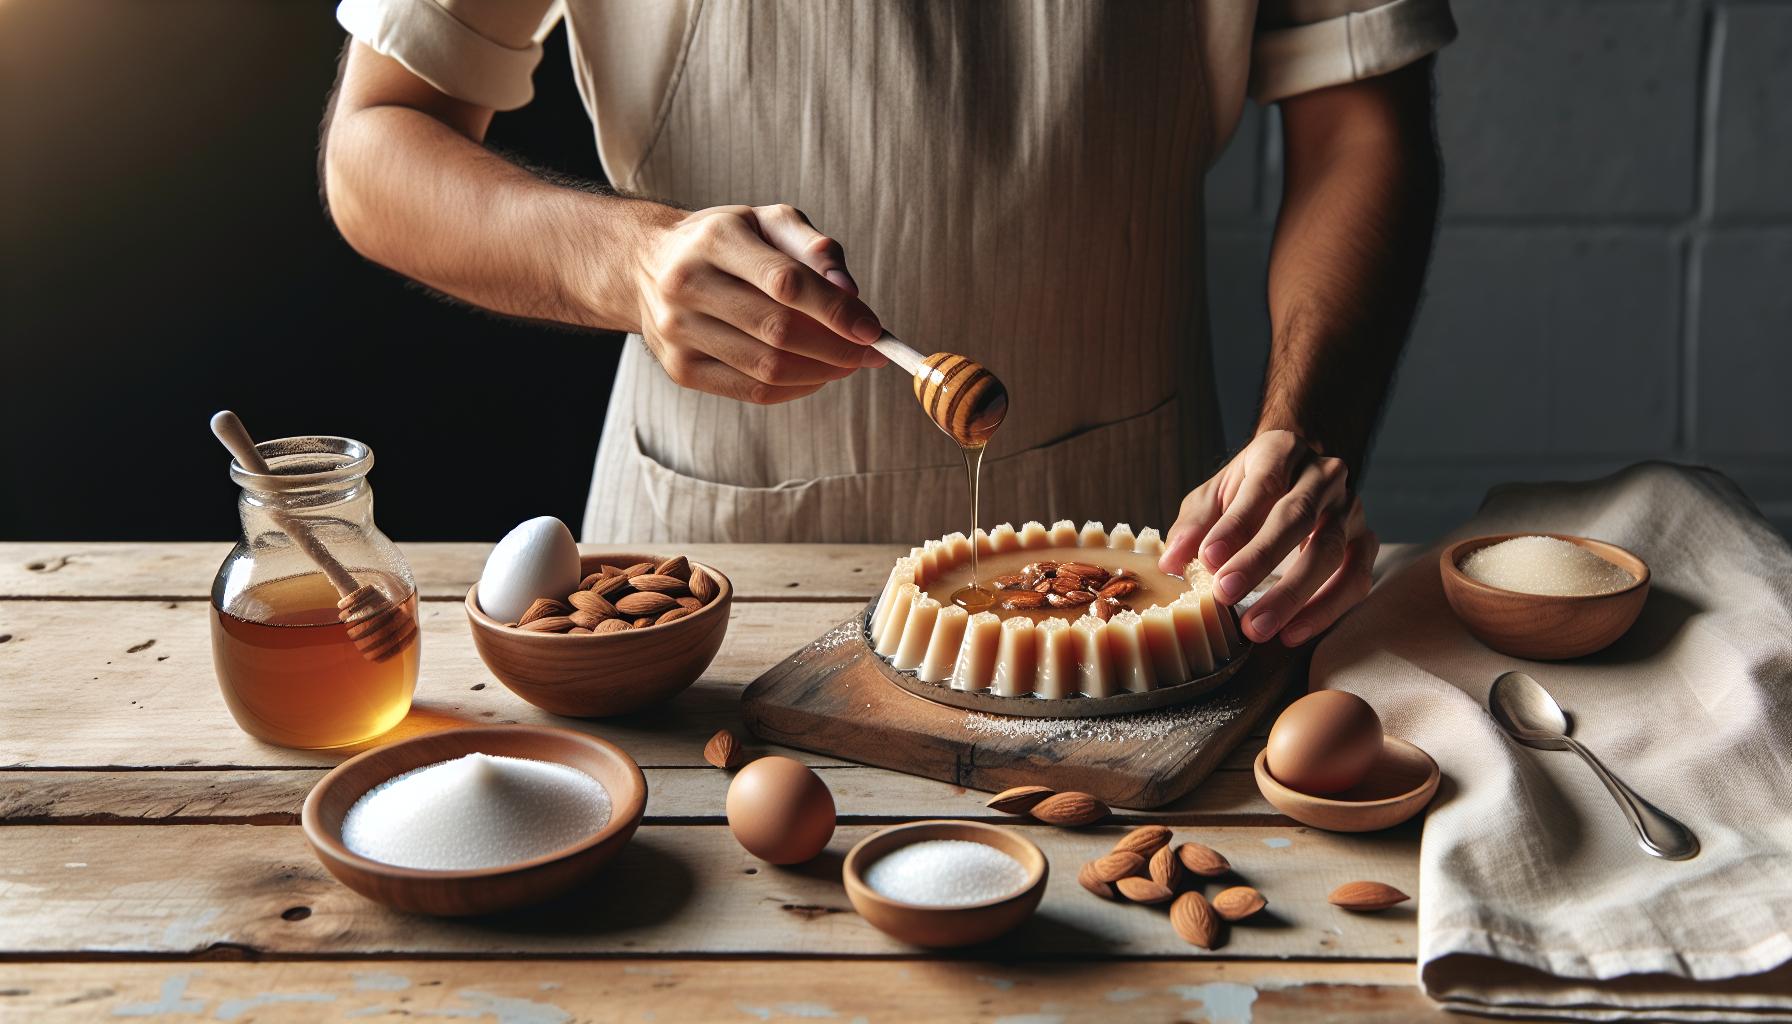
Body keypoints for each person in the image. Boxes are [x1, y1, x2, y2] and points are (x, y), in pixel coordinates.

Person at [321, 0, 1454, 647]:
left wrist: (1304, 428)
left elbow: (1361, 122)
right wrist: (628, 259)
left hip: (1147, 571)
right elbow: (375, 147)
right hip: (712, 593)